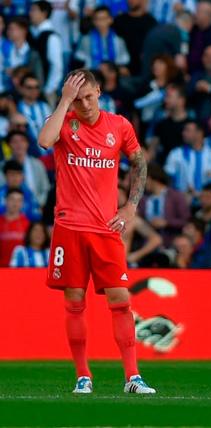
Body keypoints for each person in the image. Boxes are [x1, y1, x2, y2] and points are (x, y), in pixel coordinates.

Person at [37, 69, 154, 394]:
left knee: (120, 300)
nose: (85, 104)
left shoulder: (119, 125)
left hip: (105, 229)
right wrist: (63, 101)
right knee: (75, 301)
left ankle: (132, 377)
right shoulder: (63, 122)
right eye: (78, 98)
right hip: (69, 228)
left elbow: (139, 162)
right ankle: (82, 376)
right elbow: (44, 141)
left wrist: (130, 206)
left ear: (99, 92)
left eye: (89, 96)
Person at [0, 188, 29, 267]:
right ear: (6, 201)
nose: (15, 203)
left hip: (20, 270)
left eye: (19, 200)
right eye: (12, 199)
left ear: (22, 203)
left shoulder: (28, 224)